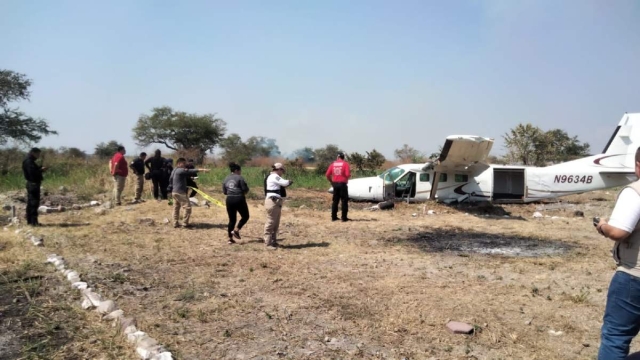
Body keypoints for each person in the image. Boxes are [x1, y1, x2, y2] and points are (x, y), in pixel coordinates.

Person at [595, 146, 640, 360]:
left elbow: (618, 231)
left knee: (616, 336)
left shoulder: (635, 192)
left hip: (634, 276)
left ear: (638, 165)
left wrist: (603, 225)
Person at [168, 158, 208, 228]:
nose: (185, 165)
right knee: (188, 208)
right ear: (179, 163)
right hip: (180, 192)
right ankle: (185, 224)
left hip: (174, 192)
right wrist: (202, 170)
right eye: (183, 163)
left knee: (176, 208)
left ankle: (175, 223)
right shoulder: (180, 170)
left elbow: (170, 179)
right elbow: (191, 171)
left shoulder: (174, 170)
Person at [263, 162, 293, 249]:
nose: (282, 172)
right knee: (271, 222)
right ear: (279, 169)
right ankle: (268, 243)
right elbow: (284, 183)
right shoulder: (274, 176)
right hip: (272, 201)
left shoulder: (273, 176)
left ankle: (273, 242)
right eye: (282, 170)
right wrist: (289, 181)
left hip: (276, 201)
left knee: (275, 223)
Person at [222, 162, 250, 244]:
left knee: (231, 220)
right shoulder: (240, 178)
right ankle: (236, 230)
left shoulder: (226, 178)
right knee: (245, 216)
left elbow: (224, 191)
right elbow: (245, 189)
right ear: (237, 170)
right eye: (240, 170)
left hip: (229, 199)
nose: (240, 172)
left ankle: (230, 239)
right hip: (239, 198)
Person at [22, 148, 47, 226]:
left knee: (31, 203)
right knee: (34, 203)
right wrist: (41, 170)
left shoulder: (30, 161)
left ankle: (30, 221)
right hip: (33, 184)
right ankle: (33, 222)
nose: (38, 156)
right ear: (33, 153)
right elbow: (32, 173)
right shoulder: (29, 162)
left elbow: (34, 170)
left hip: (32, 184)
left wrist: (39, 168)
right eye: (37, 154)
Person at [326, 152, 351, 221]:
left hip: (335, 184)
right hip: (342, 184)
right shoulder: (345, 164)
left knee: (335, 201)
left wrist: (331, 181)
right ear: (343, 157)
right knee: (344, 201)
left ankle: (333, 217)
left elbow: (327, 174)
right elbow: (348, 174)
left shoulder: (333, 164)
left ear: (337, 157)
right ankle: (344, 217)